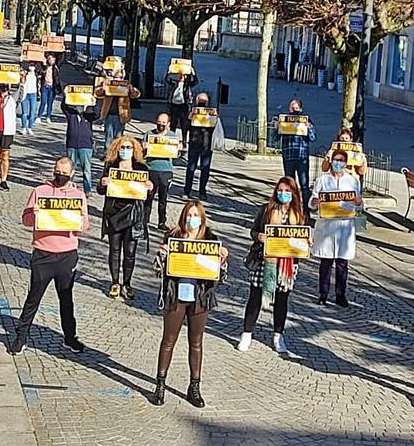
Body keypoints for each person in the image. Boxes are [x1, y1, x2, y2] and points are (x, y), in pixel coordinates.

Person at [151, 200, 228, 408]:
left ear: (202, 219)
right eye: (189, 214)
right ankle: (160, 384)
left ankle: (194, 387)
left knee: (196, 342)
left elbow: (220, 277)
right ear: (183, 216)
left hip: (200, 297)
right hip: (175, 295)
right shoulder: (173, 237)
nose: (191, 219)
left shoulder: (211, 239)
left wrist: (222, 262)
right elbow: (158, 270)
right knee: (168, 340)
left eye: (195, 215)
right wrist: (162, 256)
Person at [12, 158, 89, 355]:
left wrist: (79, 217)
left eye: (64, 172)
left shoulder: (78, 196)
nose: (59, 175)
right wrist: (34, 214)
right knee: (33, 298)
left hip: (67, 255)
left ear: (71, 173)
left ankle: (70, 338)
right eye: (57, 171)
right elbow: (26, 220)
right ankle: (21, 337)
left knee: (66, 298)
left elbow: (85, 226)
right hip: (43, 254)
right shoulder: (39, 192)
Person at [240, 177, 305, 353]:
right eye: (280, 190)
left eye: (287, 191)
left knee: (282, 299)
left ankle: (278, 335)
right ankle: (247, 333)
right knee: (255, 297)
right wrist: (258, 236)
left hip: (287, 264)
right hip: (265, 260)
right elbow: (253, 230)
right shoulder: (266, 210)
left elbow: (302, 237)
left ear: (293, 194)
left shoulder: (298, 214)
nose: (283, 194)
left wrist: (306, 242)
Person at [98, 136, 152, 301]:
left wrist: (150, 189)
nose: (125, 151)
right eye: (123, 147)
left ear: (134, 149)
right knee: (114, 250)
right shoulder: (110, 166)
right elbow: (100, 190)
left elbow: (146, 198)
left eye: (129, 148)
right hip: (114, 212)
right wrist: (102, 184)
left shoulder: (141, 168)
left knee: (130, 252)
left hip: (133, 213)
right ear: (117, 148)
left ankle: (127, 284)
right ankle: (115, 282)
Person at [309, 148, 362, 306]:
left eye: (341, 160)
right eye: (336, 160)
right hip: (327, 225)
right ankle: (323, 293)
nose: (338, 163)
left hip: (344, 226)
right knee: (326, 262)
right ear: (331, 161)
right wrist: (315, 202)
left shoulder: (352, 181)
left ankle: (340, 294)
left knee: (342, 263)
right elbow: (312, 200)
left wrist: (359, 203)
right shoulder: (322, 180)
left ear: (346, 163)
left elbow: (358, 204)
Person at [143, 112, 180, 231]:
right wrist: (144, 147)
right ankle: (144, 220)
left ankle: (161, 221)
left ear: (168, 124)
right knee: (148, 196)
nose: (161, 125)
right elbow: (142, 154)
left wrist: (180, 149)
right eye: (159, 122)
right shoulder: (149, 134)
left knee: (163, 198)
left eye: (163, 123)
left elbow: (177, 155)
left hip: (166, 170)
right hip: (151, 168)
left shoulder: (173, 136)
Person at [183, 93, 222, 200]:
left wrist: (216, 118)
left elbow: (215, 129)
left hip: (207, 145)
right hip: (194, 143)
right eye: (200, 101)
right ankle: (187, 190)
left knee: (205, 169)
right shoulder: (192, 113)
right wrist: (189, 118)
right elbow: (184, 126)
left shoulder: (211, 114)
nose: (202, 103)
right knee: (191, 168)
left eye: (204, 101)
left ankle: (202, 192)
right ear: (196, 101)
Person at [279, 98, 316, 208]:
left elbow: (313, 138)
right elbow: (275, 138)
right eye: (292, 108)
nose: (294, 111)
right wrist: (277, 127)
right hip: (288, 157)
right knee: (290, 185)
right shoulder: (284, 121)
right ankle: (291, 208)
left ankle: (306, 210)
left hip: (301, 158)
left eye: (296, 108)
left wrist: (309, 128)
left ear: (300, 109)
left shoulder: (306, 121)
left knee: (304, 185)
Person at [96, 73, 142, 150]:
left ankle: (117, 154)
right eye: (115, 77)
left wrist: (131, 89)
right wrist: (102, 89)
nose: (118, 80)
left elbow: (136, 95)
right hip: (109, 114)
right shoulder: (108, 84)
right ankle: (108, 155)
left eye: (120, 78)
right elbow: (97, 93)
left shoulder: (126, 86)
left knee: (119, 137)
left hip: (121, 115)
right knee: (108, 136)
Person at [63, 99, 98, 193]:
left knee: (86, 170)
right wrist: (66, 96)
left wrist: (92, 103)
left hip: (86, 145)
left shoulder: (89, 115)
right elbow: (64, 107)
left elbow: (97, 114)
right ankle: (68, 187)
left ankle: (87, 190)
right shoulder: (71, 115)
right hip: (72, 144)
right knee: (70, 168)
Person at [165, 67, 198, 133]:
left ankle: (184, 140)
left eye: (182, 76)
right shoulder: (175, 83)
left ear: (185, 77)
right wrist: (169, 72)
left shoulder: (187, 84)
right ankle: (172, 135)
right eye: (179, 75)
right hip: (174, 105)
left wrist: (193, 74)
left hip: (183, 106)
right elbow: (167, 79)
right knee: (173, 123)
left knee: (184, 124)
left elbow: (195, 82)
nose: (180, 77)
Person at [38, 54, 61, 123]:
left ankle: (48, 116)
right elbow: (39, 70)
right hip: (45, 86)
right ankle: (39, 116)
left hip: (52, 87)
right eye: (50, 60)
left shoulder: (56, 68)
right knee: (43, 102)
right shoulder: (44, 67)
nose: (52, 61)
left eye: (53, 60)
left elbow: (57, 78)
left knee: (50, 103)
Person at [20, 62, 39, 134]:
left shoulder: (36, 75)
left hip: (33, 94)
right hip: (25, 94)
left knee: (32, 112)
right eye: (30, 66)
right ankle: (24, 127)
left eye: (33, 66)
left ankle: (30, 127)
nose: (32, 67)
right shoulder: (25, 74)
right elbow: (22, 81)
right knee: (24, 112)